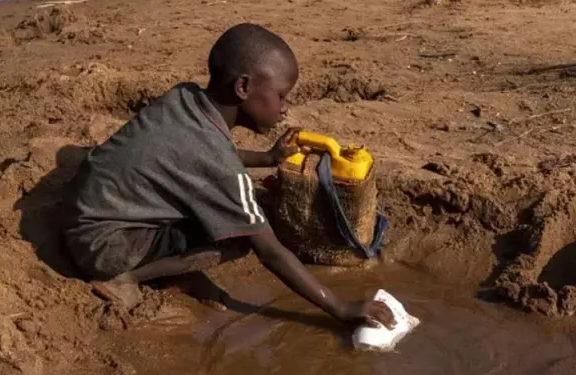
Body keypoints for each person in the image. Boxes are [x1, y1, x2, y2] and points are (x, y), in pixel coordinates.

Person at [62, 23, 394, 329]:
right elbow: (270, 252)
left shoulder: (185, 98)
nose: (284, 108)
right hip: (102, 248)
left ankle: (171, 269)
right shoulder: (218, 162)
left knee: (220, 209)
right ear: (244, 86)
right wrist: (341, 307)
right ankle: (128, 276)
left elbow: (196, 157)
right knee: (240, 236)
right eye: (280, 95)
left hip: (87, 212)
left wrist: (266, 158)